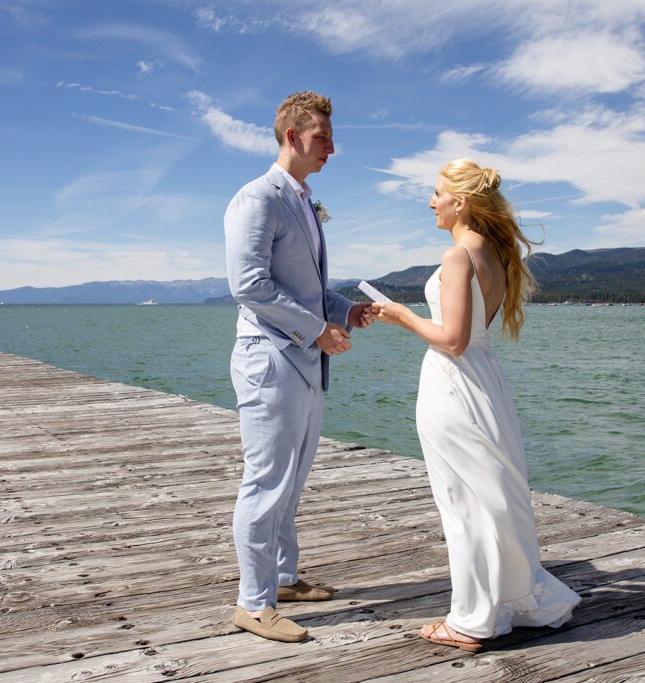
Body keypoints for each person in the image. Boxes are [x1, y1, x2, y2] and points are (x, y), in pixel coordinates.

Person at [369, 159, 581, 651]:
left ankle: (471, 619)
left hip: (454, 384)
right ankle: (507, 600)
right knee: (492, 496)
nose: (430, 202)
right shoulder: (493, 253)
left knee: (463, 501)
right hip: (485, 383)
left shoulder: (458, 256)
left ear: (460, 202)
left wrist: (401, 315)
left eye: (436, 193)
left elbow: (453, 339)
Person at [224, 91, 372, 643]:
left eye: (331, 139)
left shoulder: (302, 201)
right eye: (322, 138)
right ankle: (252, 603)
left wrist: (345, 311)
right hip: (272, 359)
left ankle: (282, 578)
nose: (331, 148)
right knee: (265, 482)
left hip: (303, 361)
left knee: (292, 480)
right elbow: (248, 286)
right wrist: (315, 329)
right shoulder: (256, 198)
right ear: (291, 136)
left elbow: (304, 287)